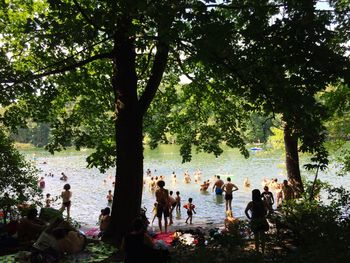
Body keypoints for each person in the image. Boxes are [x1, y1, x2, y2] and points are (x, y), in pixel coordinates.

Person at [245, 189, 269, 254]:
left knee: (256, 237)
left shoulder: (251, 203)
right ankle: (263, 251)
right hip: (262, 220)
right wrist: (266, 216)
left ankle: (257, 251)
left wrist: (249, 218)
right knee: (262, 236)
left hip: (254, 221)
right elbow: (270, 210)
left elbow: (246, 211)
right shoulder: (264, 202)